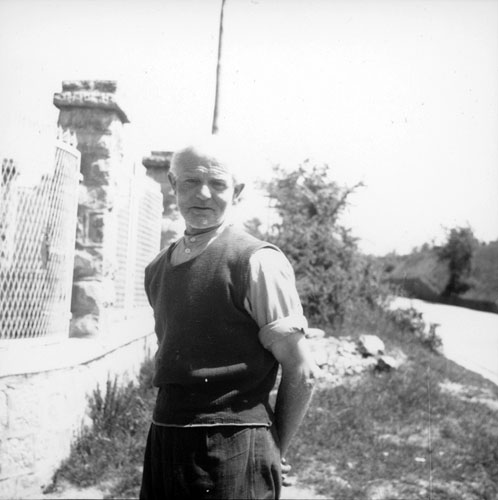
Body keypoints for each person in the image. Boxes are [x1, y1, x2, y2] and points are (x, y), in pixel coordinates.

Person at [140, 137, 318, 500]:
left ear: (236, 191)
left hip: (234, 442)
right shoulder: (157, 267)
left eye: (218, 184)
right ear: (173, 184)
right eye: (191, 181)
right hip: (165, 436)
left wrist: (274, 447)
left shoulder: (256, 261)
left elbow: (302, 370)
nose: (203, 194)